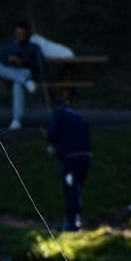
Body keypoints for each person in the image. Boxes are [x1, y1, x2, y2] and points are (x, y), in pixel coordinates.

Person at [0, 19, 50, 130]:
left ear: (28, 34)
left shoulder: (34, 48)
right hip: (11, 75)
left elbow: (40, 67)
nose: (21, 36)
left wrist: (24, 61)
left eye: (24, 34)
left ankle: (16, 120)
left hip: (27, 73)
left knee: (18, 84)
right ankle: (25, 81)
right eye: (19, 33)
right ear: (15, 33)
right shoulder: (7, 47)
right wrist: (10, 60)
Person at [45, 93, 92, 231]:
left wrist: (53, 145)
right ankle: (75, 219)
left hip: (71, 160)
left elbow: (52, 135)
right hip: (86, 158)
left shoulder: (59, 114)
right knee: (77, 189)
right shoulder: (79, 115)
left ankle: (72, 224)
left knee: (71, 190)